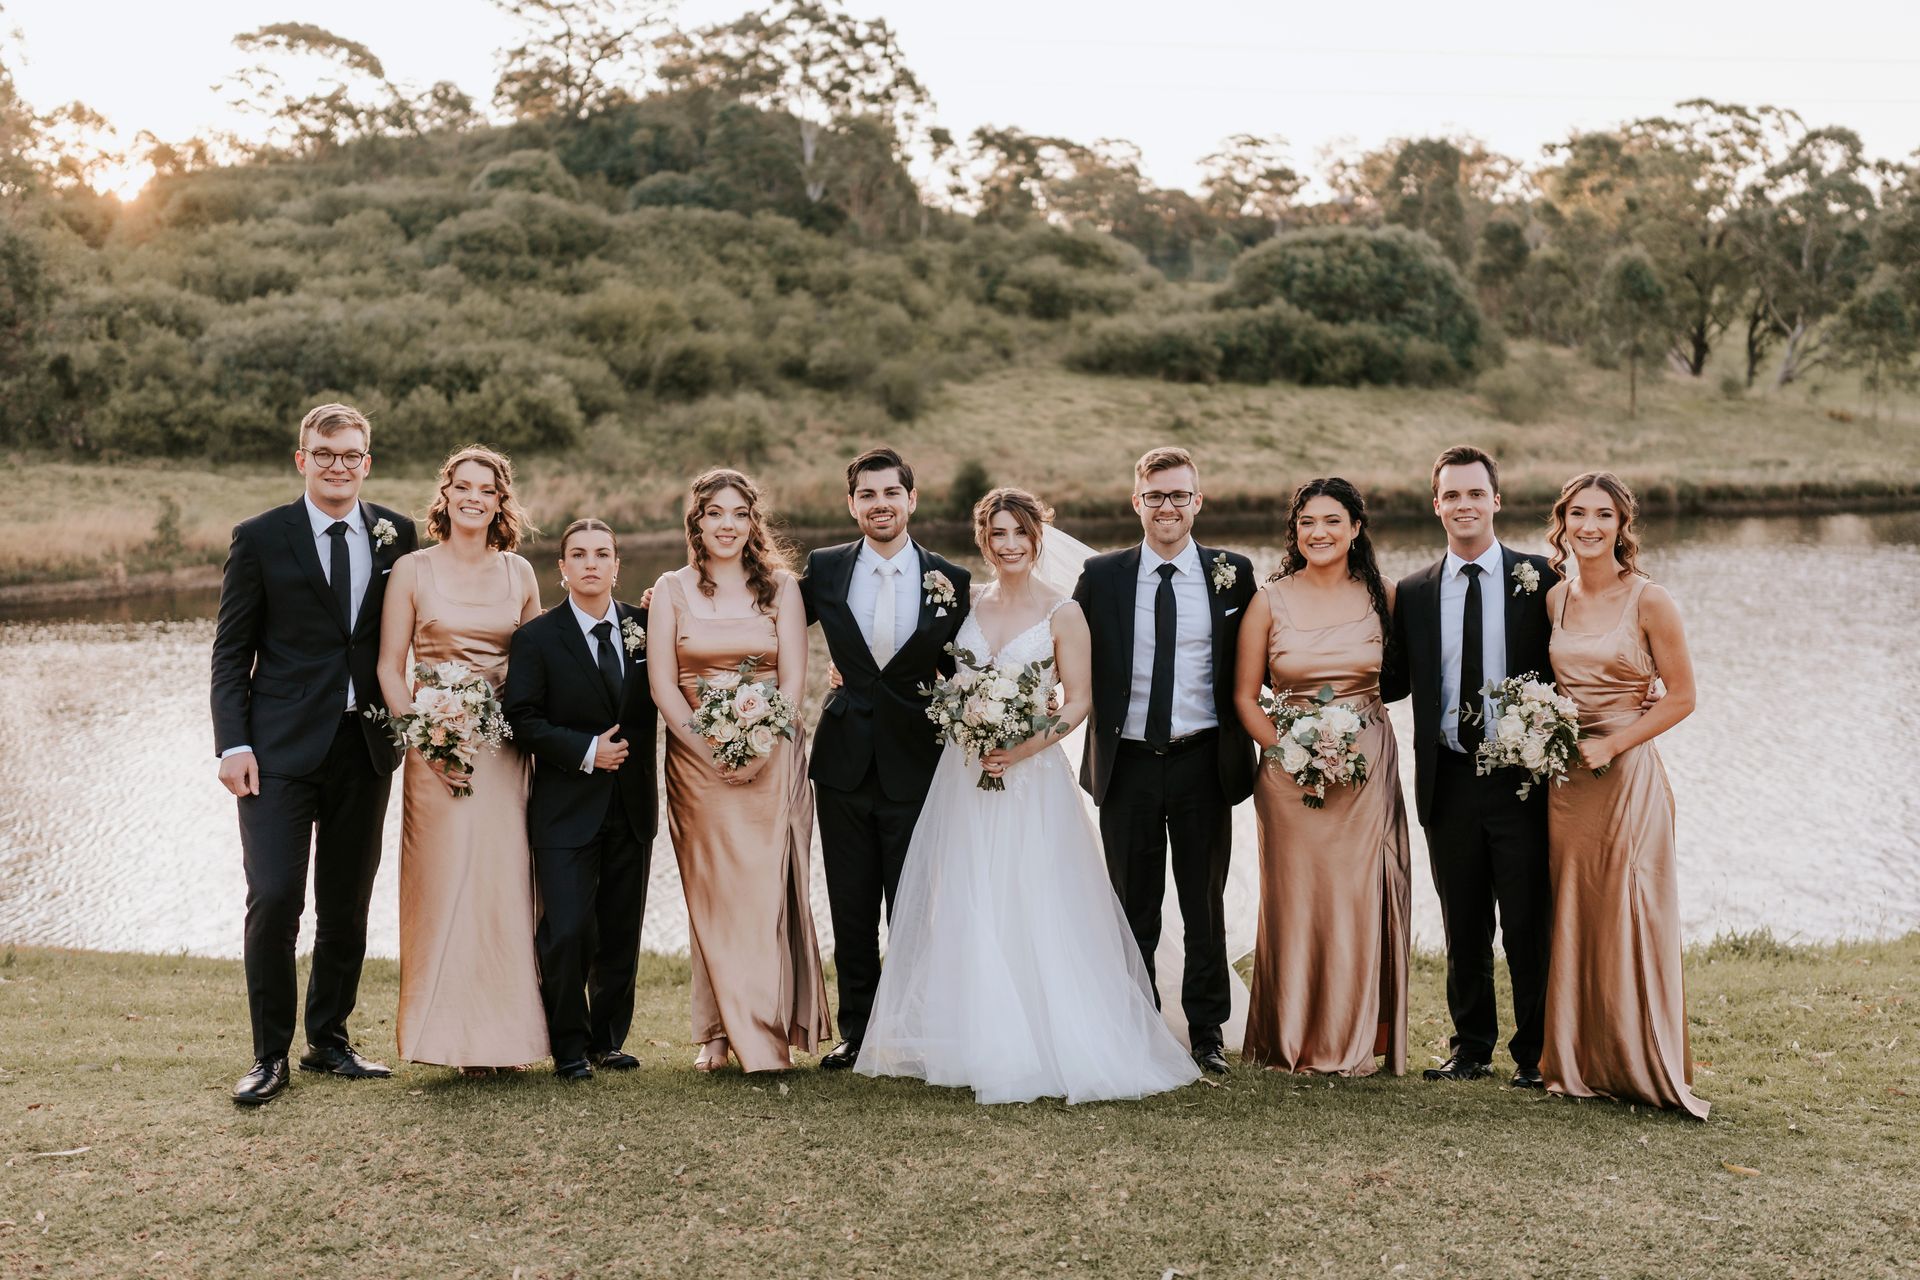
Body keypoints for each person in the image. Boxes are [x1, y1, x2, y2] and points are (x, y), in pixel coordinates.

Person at [857, 488, 1199, 1103]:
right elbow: (927, 670)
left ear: (1038, 537)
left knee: (1035, 894)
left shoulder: (1063, 612)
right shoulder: (962, 603)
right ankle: (975, 1034)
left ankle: (1048, 1037)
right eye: (997, 533)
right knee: (969, 893)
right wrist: (962, 716)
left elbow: (1079, 702)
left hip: (1031, 778)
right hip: (965, 776)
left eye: (1019, 532)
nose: (1008, 544)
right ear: (983, 538)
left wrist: (1020, 747)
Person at [212, 403, 418, 1105]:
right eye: (325, 453)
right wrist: (233, 742)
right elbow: (231, 653)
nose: (339, 465)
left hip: (364, 747)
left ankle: (328, 1040)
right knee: (273, 897)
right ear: (302, 459)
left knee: (347, 902)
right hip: (275, 751)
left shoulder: (399, 537)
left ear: (368, 462)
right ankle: (269, 1055)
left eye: (351, 454)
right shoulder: (261, 538)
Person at [1071, 447, 1257, 1075]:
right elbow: (1056, 649)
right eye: (1156, 496)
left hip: (1205, 759)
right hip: (1126, 763)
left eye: (1180, 495)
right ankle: (1137, 1022)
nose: (1168, 507)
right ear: (1137, 503)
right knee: (1131, 904)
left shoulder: (1235, 572)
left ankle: (1206, 1032)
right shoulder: (1102, 577)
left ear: (1197, 502)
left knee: (1204, 902)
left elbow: (1264, 657)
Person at [1382, 445, 1559, 1088]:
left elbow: (1579, 657)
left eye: (1474, 493)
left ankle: (1537, 1052)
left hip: (1521, 779)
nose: (1464, 505)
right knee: (1463, 922)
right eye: (1451, 495)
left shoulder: (1542, 579)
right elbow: (1393, 682)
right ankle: (1471, 1046)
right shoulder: (1415, 592)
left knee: (1527, 921)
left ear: (1496, 501)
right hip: (1449, 776)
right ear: (1437, 506)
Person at [648, 469, 831, 1073]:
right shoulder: (671, 589)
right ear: (696, 522)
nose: (727, 525)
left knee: (761, 895)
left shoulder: (781, 587)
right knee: (712, 896)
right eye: (714, 514)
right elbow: (664, 687)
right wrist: (709, 747)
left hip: (772, 759)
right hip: (695, 766)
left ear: (753, 522)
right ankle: (717, 1033)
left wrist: (755, 746)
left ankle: (763, 1029)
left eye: (739, 514)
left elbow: (792, 683)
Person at [797, 448, 972, 1071]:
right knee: (850, 903)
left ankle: (914, 1028)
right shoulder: (823, 570)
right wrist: (673, 600)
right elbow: (764, 618)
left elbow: (968, 667)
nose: (879, 505)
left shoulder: (952, 580)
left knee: (914, 904)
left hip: (917, 762)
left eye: (890, 494)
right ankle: (858, 1031)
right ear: (852, 504)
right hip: (843, 762)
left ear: (911, 499)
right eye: (867, 495)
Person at [376, 445, 547, 1072]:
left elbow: (538, 664)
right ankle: (442, 1038)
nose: (474, 497)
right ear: (444, 495)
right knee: (444, 888)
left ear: (501, 501)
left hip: (501, 753)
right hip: (436, 752)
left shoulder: (520, 575)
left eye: (488, 489)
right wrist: (426, 739)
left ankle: (506, 1041)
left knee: (502, 886)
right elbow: (390, 669)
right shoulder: (413, 571)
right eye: (463, 486)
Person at [1541, 472, 1707, 1118]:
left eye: (1602, 515)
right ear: (1562, 522)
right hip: (1567, 782)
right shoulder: (1553, 599)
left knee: (1630, 910)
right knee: (1578, 911)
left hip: (1627, 775)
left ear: (1620, 526)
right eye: (1577, 513)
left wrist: (1616, 743)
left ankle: (1641, 1064)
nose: (1588, 526)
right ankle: (1579, 1061)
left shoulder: (1649, 600)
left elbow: (1685, 696)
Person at [1232, 479, 1411, 1075]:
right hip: (1289, 776)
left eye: (1333, 521)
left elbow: (1402, 680)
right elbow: (1245, 697)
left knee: (1357, 899)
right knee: (1297, 900)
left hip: (1366, 773)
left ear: (1356, 528)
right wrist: (1291, 751)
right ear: (1295, 531)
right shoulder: (1269, 600)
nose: (1320, 532)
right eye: (1307, 522)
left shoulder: (1383, 594)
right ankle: (1291, 1038)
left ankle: (1354, 1038)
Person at [503, 518, 659, 1082]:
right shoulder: (537, 638)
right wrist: (586, 750)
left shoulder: (648, 628)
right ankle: (567, 1045)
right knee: (567, 930)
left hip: (633, 805)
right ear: (562, 568)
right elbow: (520, 719)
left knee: (620, 930)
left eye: (603, 554)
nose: (591, 563)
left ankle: (606, 1040)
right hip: (566, 806)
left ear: (617, 566)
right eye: (579, 555)